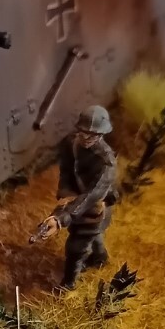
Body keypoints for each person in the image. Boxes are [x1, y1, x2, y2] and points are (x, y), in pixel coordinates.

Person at [30, 105, 118, 287]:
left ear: (102, 135)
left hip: (94, 207)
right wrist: (65, 195)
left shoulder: (107, 162)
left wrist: (62, 218)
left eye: (93, 135)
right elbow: (66, 172)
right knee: (94, 235)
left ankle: (68, 285)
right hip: (75, 201)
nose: (86, 138)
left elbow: (93, 195)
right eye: (84, 132)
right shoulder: (71, 143)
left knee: (76, 247)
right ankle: (100, 257)